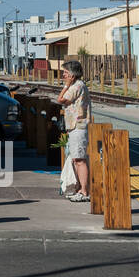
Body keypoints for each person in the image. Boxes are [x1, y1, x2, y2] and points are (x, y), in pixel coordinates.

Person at [56, 60, 91, 201]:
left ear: (72, 74)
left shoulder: (76, 86)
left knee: (80, 159)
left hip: (78, 126)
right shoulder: (77, 86)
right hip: (74, 126)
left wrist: (66, 85)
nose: (63, 75)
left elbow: (61, 100)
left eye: (65, 72)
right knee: (76, 159)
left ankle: (84, 192)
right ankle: (79, 189)